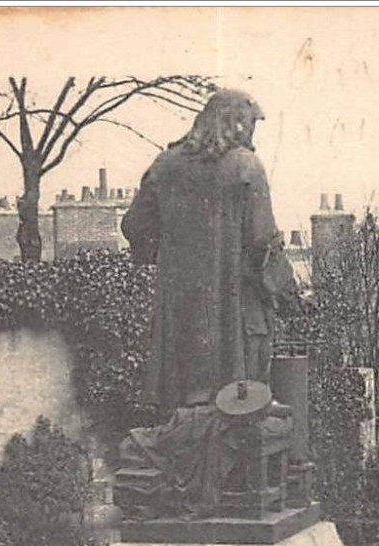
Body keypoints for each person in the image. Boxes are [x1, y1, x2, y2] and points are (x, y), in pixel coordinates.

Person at [122, 89, 296, 412]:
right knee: (238, 413)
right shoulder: (246, 167)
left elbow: (134, 226)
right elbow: (263, 244)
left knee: (180, 414)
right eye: (251, 124)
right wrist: (289, 293)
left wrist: (170, 255)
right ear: (238, 123)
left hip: (178, 318)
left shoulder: (165, 165)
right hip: (235, 320)